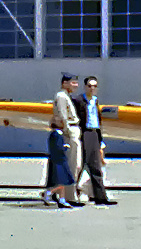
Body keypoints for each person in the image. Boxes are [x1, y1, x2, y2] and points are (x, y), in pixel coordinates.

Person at [71, 75, 116, 205]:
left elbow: (98, 120)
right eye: (90, 86)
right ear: (85, 87)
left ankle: (100, 197)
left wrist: (100, 139)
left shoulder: (95, 101)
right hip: (85, 133)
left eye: (95, 86)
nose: (92, 88)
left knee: (95, 165)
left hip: (95, 133)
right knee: (81, 165)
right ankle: (73, 194)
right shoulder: (79, 100)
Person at [44, 73, 83, 206]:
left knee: (73, 166)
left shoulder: (67, 97)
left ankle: (61, 194)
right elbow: (63, 116)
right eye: (73, 82)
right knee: (71, 166)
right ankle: (69, 197)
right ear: (64, 83)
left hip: (72, 130)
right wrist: (67, 132)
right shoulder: (61, 97)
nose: (76, 85)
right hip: (69, 132)